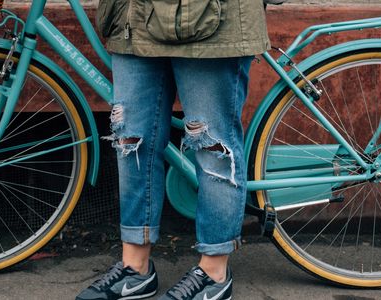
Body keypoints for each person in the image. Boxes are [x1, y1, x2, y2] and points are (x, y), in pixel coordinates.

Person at [76, 0, 270, 299]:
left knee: (212, 147)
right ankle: (134, 267)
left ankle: (214, 272)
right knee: (131, 142)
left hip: (214, 24)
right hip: (134, 20)